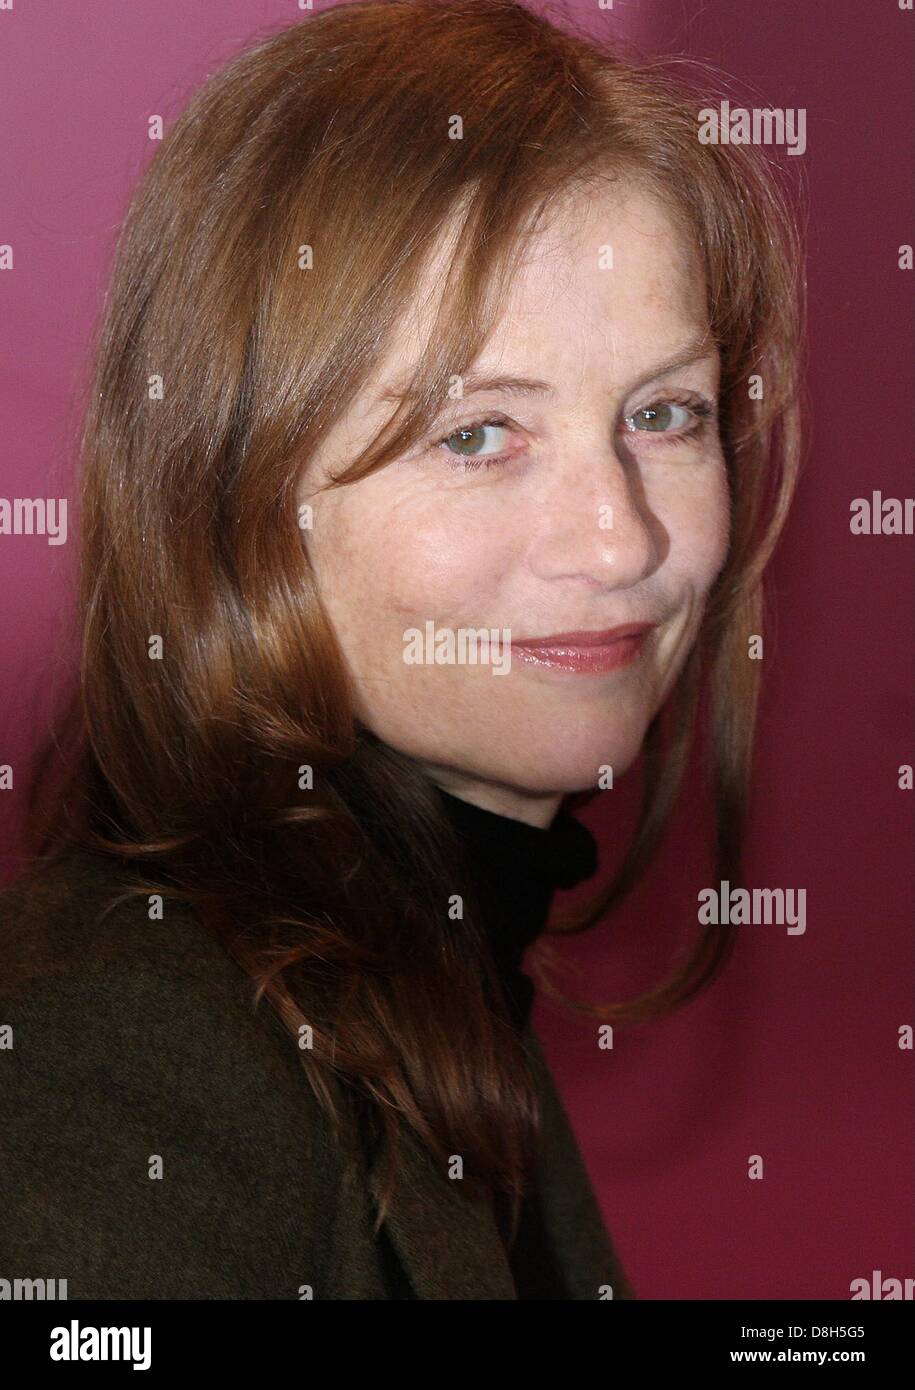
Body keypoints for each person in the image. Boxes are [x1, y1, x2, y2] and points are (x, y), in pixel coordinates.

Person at [0, 0, 802, 1299]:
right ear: (234, 495)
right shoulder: (130, 1055)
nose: (620, 539)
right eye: (479, 434)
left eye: (664, 412)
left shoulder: (430, 962)